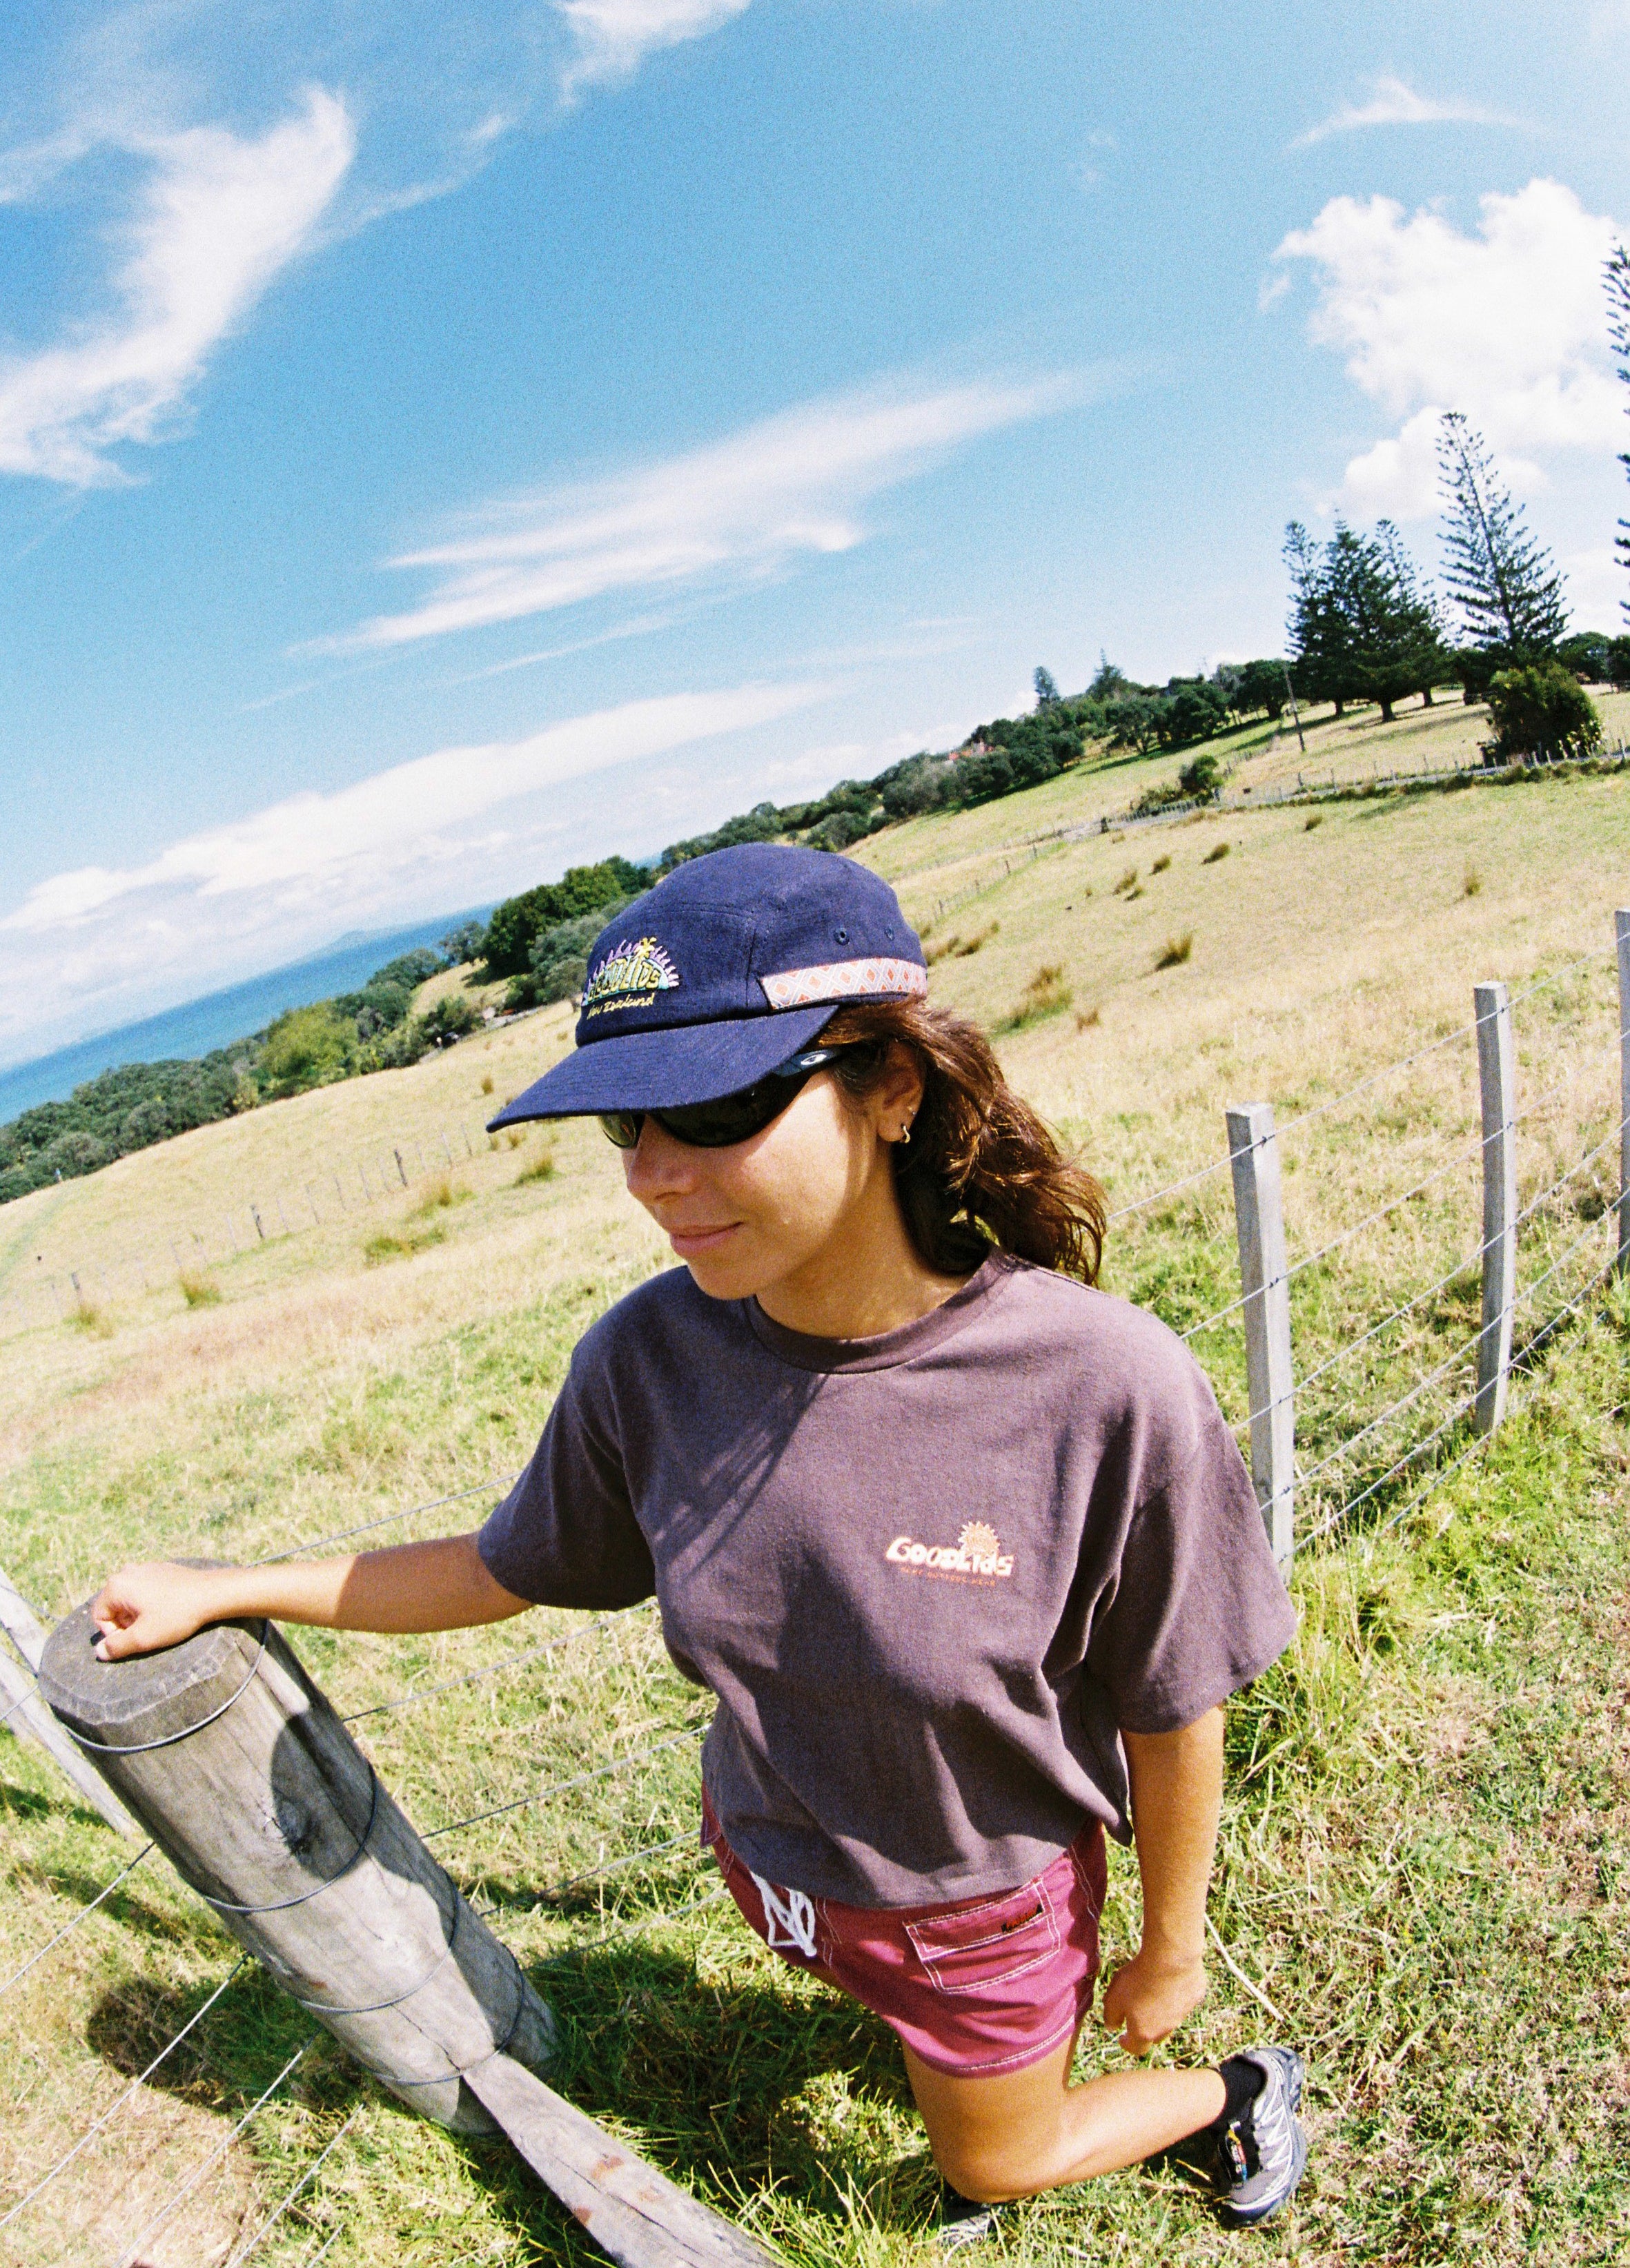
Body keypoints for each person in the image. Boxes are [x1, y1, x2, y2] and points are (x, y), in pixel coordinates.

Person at [92, 844, 1306, 2244]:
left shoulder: (1103, 1385)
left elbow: (1173, 1702)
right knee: (900, 2029)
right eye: (624, 1125)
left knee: (989, 2163)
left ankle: (1228, 2089)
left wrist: (1165, 1944)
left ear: (890, 1087)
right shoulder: (647, 1357)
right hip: (776, 1860)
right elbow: (505, 1564)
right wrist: (229, 1586)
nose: (652, 1176)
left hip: (975, 1904)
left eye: (715, 1103)